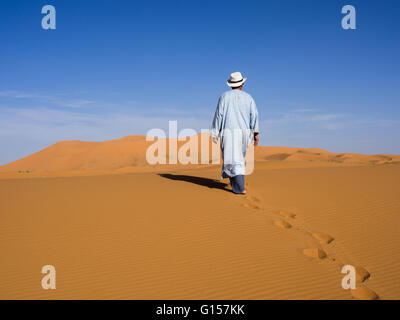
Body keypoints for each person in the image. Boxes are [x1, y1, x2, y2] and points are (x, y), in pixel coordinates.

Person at [210, 71, 259, 194]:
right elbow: (254, 116)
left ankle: (240, 188)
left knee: (232, 159)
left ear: (231, 85)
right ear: (242, 84)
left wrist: (215, 132)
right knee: (238, 158)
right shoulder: (249, 98)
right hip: (244, 133)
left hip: (228, 131)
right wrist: (255, 133)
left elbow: (218, 116)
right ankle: (237, 184)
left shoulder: (224, 97)